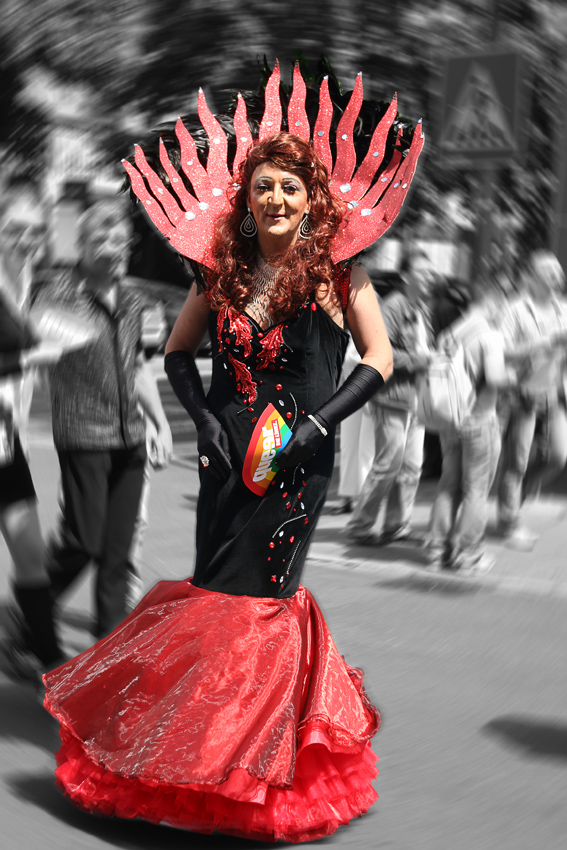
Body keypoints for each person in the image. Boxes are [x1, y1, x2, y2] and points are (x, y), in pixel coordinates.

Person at [43, 64, 423, 843]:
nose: (275, 200)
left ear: (309, 197)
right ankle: (185, 762)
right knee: (213, 596)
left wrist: (317, 428)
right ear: (245, 200)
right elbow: (179, 356)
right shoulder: (218, 273)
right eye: (263, 188)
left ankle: (249, 776)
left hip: (297, 465)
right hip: (225, 457)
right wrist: (204, 422)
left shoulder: (336, 276)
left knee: (260, 606)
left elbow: (378, 359)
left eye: (289, 187)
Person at [36, 199, 173, 639]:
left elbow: (136, 368)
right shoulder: (60, 297)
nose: (115, 246)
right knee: (82, 541)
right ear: (83, 246)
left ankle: (108, 654)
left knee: (118, 554)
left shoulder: (134, 302)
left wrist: (160, 422)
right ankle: (29, 608)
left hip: (129, 439)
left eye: (121, 239)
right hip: (83, 435)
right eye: (103, 238)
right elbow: (39, 353)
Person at [0, 176, 65, 680]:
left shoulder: (25, 283)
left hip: (5, 436)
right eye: (15, 228)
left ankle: (48, 664)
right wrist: (28, 356)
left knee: (28, 548)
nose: (26, 238)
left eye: (35, 230)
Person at [345, 248, 435, 545]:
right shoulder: (394, 307)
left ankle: (397, 525)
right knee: (389, 464)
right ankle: (360, 525)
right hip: (393, 397)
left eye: (429, 273)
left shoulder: (422, 308)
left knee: (410, 467)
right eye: (423, 273)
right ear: (407, 276)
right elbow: (381, 351)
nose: (429, 279)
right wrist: (419, 360)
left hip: (415, 400)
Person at [426, 276, 514, 575]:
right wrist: (515, 378)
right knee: (476, 488)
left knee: (448, 485)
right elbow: (496, 378)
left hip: (451, 420)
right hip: (480, 419)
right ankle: (468, 555)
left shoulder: (451, 333)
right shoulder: (490, 335)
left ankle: (437, 551)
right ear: (495, 301)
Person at [496, 250, 567, 550]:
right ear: (534, 275)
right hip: (522, 394)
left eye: (557, 268)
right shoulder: (515, 309)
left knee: (558, 457)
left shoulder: (564, 309)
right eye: (549, 269)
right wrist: (545, 342)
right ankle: (509, 522)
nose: (557, 272)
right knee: (517, 461)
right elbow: (502, 352)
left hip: (553, 394)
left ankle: (514, 499)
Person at [329, 334, 375, 514]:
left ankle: (364, 501)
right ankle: (348, 498)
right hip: (350, 396)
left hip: (372, 395)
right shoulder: (348, 335)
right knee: (349, 448)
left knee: (366, 450)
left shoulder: (377, 331)